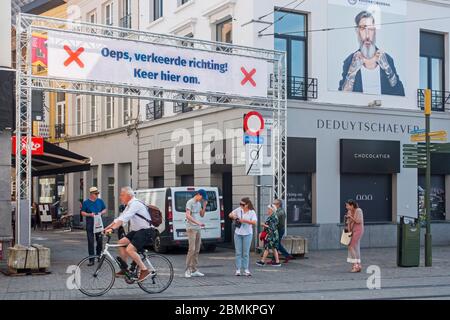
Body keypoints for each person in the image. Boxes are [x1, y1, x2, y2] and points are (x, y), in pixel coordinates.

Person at [338, 10, 404, 96]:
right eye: (362, 29)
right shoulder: (350, 61)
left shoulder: (387, 59)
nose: (367, 36)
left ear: (375, 31)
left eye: (371, 29)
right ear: (357, 31)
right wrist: (352, 71)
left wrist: (387, 68)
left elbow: (400, 92)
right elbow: (342, 96)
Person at [104, 187, 153, 282]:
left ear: (129, 196)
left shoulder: (135, 204)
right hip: (136, 231)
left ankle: (144, 270)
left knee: (130, 249)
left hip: (145, 231)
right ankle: (124, 269)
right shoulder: (129, 205)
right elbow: (119, 218)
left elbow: (123, 219)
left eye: (122, 195)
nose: (120, 197)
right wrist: (106, 228)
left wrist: (112, 229)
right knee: (121, 242)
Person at [229, 197, 257, 276]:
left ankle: (246, 269)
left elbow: (254, 222)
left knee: (246, 253)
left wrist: (244, 221)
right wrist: (233, 216)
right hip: (238, 233)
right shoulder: (238, 209)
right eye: (240, 204)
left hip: (247, 233)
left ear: (247, 205)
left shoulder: (252, 212)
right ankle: (238, 269)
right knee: (238, 252)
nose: (241, 205)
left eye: (242, 204)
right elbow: (230, 214)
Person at [184, 189, 208, 278]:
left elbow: (201, 215)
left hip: (198, 229)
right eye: (202, 197)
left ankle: (194, 269)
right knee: (192, 249)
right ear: (198, 194)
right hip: (191, 228)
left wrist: (204, 206)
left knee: (197, 249)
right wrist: (198, 223)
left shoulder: (199, 203)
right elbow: (188, 215)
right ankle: (187, 270)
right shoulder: (190, 202)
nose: (202, 199)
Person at [81, 187, 107, 266]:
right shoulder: (86, 202)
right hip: (90, 224)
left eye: (97, 194)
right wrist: (89, 214)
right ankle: (91, 260)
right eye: (96, 194)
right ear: (91, 194)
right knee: (90, 242)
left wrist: (101, 213)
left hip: (99, 224)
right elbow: (82, 212)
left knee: (99, 241)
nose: (97, 195)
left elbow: (105, 209)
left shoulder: (100, 201)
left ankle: (98, 256)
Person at [345, 199, 364, 273]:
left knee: (351, 246)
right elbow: (349, 222)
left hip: (358, 230)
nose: (346, 207)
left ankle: (356, 265)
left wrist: (350, 217)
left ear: (352, 205)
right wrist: (349, 231)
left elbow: (358, 221)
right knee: (356, 247)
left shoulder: (358, 210)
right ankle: (358, 265)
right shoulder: (349, 211)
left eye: (347, 205)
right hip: (352, 230)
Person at [273, 199, 294, 263]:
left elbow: (278, 222)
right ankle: (285, 256)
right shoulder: (277, 211)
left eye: (274, 203)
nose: (273, 205)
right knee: (276, 244)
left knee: (276, 244)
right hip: (278, 229)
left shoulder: (280, 212)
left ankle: (285, 256)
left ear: (278, 204)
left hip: (279, 230)